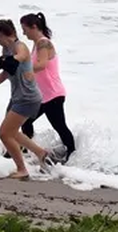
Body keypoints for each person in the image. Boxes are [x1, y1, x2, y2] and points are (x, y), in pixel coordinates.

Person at [0, 18, 54, 179]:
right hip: (18, 97)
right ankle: (40, 152)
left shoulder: (20, 47)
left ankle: (22, 169)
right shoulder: (7, 50)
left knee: (4, 134)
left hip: (28, 98)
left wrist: (5, 61)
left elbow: (18, 58)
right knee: (12, 132)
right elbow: (6, 73)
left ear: (0, 34)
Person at [19, 12, 76, 163]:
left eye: (25, 29)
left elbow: (42, 65)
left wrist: (23, 68)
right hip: (42, 96)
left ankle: (73, 156)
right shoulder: (36, 44)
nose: (23, 33)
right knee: (26, 121)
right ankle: (26, 151)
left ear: (34, 27)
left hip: (53, 95)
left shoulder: (44, 43)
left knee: (60, 127)